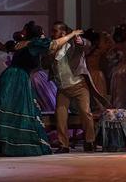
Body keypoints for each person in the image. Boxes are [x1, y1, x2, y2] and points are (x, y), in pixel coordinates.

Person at [0, 22, 81, 156]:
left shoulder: (21, 43)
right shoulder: (34, 44)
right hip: (19, 78)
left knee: (9, 108)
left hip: (10, 76)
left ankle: (5, 143)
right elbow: (55, 44)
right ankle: (13, 145)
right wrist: (72, 34)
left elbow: (2, 47)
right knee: (20, 110)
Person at [49, 21, 108, 153]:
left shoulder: (73, 44)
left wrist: (81, 41)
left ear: (63, 33)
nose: (52, 33)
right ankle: (64, 145)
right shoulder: (54, 46)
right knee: (60, 115)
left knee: (85, 112)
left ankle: (90, 141)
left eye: (55, 31)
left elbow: (86, 44)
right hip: (63, 87)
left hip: (79, 85)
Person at [105, 24, 126, 110]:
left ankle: (121, 112)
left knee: (122, 95)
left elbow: (110, 60)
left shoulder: (116, 47)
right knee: (125, 95)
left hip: (121, 72)